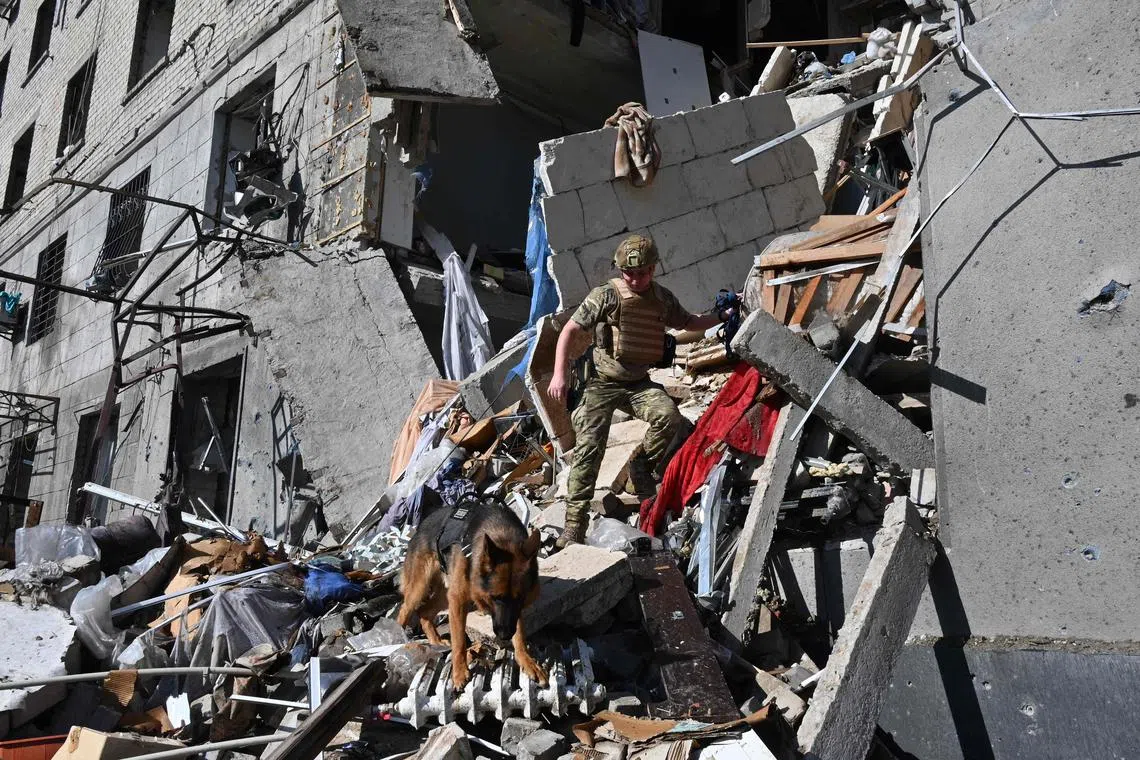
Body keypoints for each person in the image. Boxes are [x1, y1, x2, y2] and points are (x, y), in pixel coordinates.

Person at [547, 234, 733, 548]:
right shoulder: (607, 295)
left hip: (637, 384)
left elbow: (688, 320)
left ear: (654, 268)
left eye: (643, 272)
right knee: (589, 450)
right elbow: (570, 330)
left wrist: (721, 317)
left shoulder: (662, 299)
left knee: (668, 416)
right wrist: (558, 375)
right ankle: (573, 528)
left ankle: (642, 467)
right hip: (601, 384)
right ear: (620, 271)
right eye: (629, 273)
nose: (636, 278)